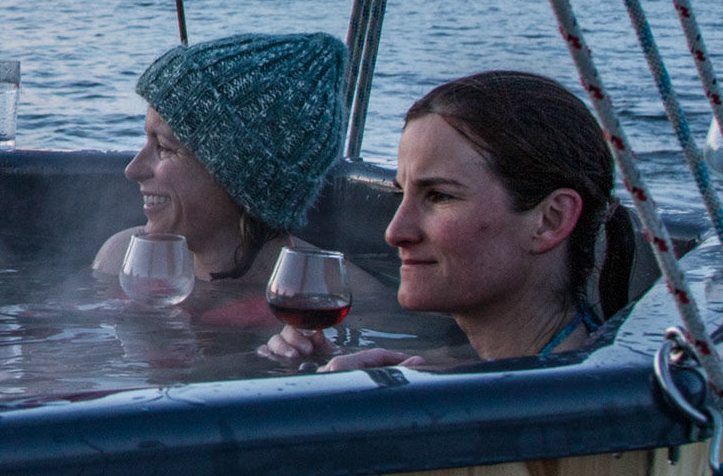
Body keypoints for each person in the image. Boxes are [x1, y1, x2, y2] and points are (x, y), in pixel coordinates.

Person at [269, 71, 633, 369]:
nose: (395, 232)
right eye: (401, 194)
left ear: (551, 220)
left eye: (440, 196)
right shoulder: (574, 375)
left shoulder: (560, 414)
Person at [92, 33, 367, 313]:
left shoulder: (342, 301)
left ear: (242, 177)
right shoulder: (119, 262)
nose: (133, 170)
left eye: (162, 146)